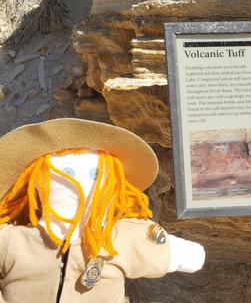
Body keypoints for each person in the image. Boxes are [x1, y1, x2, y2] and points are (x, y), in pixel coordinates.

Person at [0, 118, 205, 303]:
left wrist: (179, 252)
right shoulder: (13, 241)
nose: (80, 183)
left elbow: (191, 257)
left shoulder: (120, 238)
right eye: (68, 172)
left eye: (94, 173)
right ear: (36, 181)